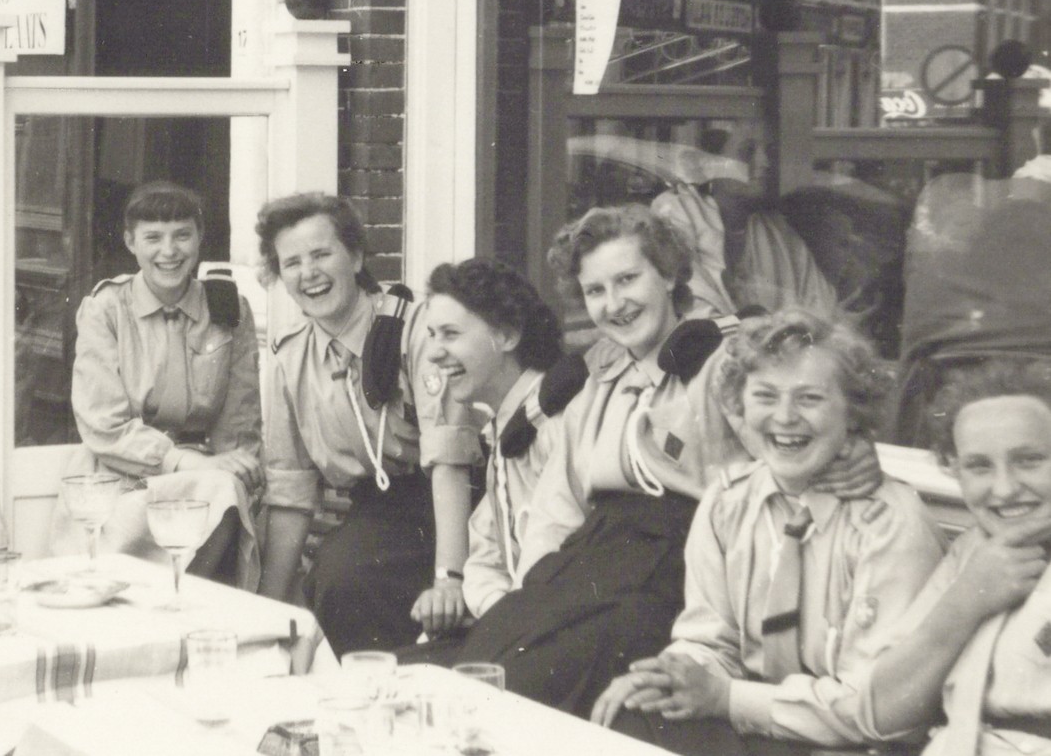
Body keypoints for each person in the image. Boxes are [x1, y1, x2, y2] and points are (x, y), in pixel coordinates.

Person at [450, 204, 882, 716]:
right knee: (480, 667)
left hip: (677, 572)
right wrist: (530, 599)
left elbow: (788, 440)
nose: (615, 304)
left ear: (670, 275)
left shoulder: (721, 364)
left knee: (525, 687)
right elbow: (555, 510)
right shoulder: (598, 381)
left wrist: (852, 449)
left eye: (627, 279)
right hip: (588, 566)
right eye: (595, 291)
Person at [592, 309, 944, 754]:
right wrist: (670, 676)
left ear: (853, 413)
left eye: (809, 398)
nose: (785, 416)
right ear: (739, 406)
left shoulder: (890, 526)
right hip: (757, 725)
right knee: (632, 714)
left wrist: (728, 698)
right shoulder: (726, 504)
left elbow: (879, 709)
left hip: (849, 741)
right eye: (764, 396)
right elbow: (709, 641)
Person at [255, 193, 480, 654]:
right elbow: (291, 494)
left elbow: (450, 460)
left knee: (351, 578)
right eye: (292, 263)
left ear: (356, 257)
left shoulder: (415, 330)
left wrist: (449, 578)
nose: (309, 273)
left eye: (322, 254)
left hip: (456, 497)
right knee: (336, 578)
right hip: (379, 509)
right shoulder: (289, 360)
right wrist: (264, 613)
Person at [50, 182, 263, 585]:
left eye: (182, 235)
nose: (169, 251)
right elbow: (103, 424)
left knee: (225, 492)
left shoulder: (227, 308)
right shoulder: (106, 309)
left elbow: (240, 419)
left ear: (199, 238)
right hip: (120, 478)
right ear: (130, 242)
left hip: (204, 477)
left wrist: (239, 467)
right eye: (153, 238)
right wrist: (183, 462)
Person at [863, 359, 1051, 756]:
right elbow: (883, 713)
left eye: (1029, 460)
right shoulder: (972, 552)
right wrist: (967, 599)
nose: (1004, 489)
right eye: (979, 466)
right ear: (954, 470)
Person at [402, 257, 563, 649]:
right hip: (511, 623)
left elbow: (550, 563)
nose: (434, 353)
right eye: (432, 335)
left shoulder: (553, 424)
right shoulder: (502, 425)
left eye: (451, 334)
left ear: (506, 336)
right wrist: (492, 610)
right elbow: (484, 553)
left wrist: (497, 624)